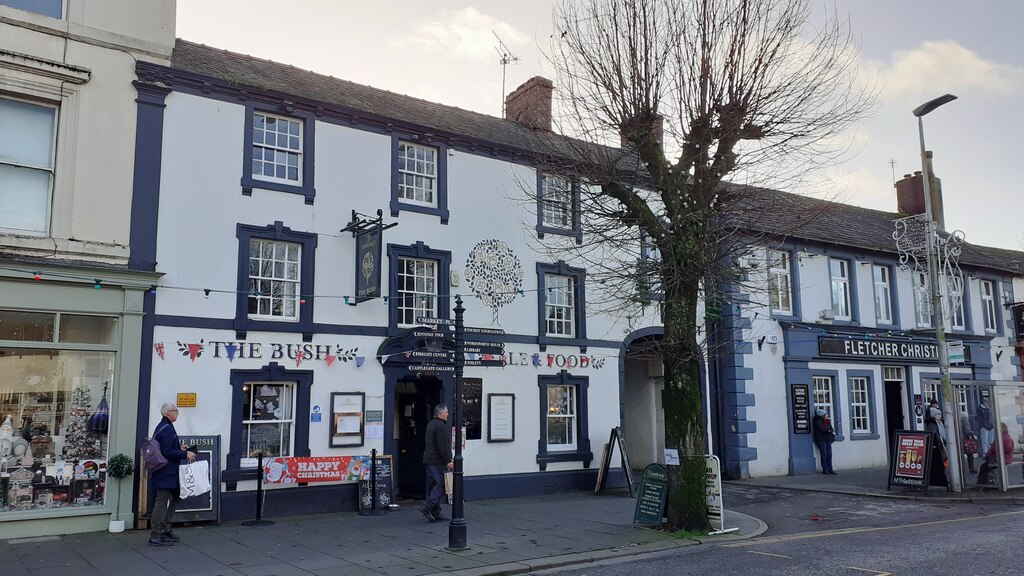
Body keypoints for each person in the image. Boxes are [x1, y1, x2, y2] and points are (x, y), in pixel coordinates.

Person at [148, 403, 196, 546]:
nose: (178, 413)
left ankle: (166, 529)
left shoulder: (163, 426)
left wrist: (179, 448)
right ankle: (156, 534)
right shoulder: (167, 429)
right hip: (166, 472)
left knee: (177, 496)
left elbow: (165, 448)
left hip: (167, 471)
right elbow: (167, 452)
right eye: (176, 411)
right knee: (161, 502)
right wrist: (184, 453)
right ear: (169, 413)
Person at [420, 403, 453, 522]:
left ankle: (435, 512)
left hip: (429, 459)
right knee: (441, 484)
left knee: (434, 484)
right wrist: (448, 460)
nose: (448, 414)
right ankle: (427, 506)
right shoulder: (440, 426)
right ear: (440, 413)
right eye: (446, 411)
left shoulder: (431, 424)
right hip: (437, 460)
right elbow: (443, 446)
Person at [811, 407, 836, 475]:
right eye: (826, 414)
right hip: (821, 439)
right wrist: (828, 429)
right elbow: (823, 429)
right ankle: (825, 469)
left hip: (828, 439)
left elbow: (831, 429)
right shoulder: (818, 421)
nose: (827, 416)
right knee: (824, 454)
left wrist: (828, 430)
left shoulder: (827, 421)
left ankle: (830, 468)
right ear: (822, 415)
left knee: (829, 454)